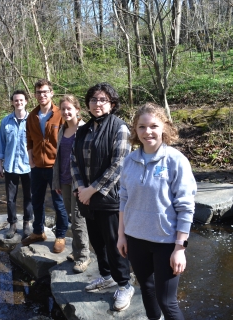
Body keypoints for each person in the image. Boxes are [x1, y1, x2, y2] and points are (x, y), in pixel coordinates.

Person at [117, 103, 197, 320]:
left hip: (166, 242)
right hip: (135, 240)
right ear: (135, 130)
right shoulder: (129, 161)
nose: (148, 132)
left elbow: (186, 206)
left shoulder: (176, 160)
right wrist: (121, 236)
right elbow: (123, 199)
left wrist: (180, 247)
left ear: (164, 128)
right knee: (147, 291)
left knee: (167, 302)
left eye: (153, 126)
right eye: (142, 127)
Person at [71, 83, 133, 311]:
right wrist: (80, 189)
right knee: (98, 242)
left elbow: (119, 164)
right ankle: (106, 276)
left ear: (112, 104)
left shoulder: (120, 128)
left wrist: (92, 189)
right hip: (87, 199)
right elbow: (73, 162)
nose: (97, 103)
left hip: (110, 199)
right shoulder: (83, 129)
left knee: (115, 244)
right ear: (87, 104)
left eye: (103, 100)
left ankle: (125, 285)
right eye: (94, 99)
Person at [21, 79, 69, 254]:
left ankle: (61, 235)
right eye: (39, 92)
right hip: (37, 167)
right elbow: (29, 139)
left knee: (59, 203)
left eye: (45, 92)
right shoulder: (32, 115)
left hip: (55, 168)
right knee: (37, 201)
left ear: (51, 93)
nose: (42, 95)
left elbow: (69, 138)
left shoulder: (60, 114)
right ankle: (38, 232)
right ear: (35, 95)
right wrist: (31, 160)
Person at [52, 95, 91, 273]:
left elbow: (88, 160)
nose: (66, 112)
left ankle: (84, 256)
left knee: (78, 220)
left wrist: (84, 185)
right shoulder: (62, 129)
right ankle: (76, 251)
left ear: (77, 110)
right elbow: (59, 157)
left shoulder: (84, 129)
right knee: (71, 217)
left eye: (70, 108)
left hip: (79, 183)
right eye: (63, 109)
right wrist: (57, 181)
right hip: (65, 180)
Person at [0, 90, 33, 239]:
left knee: (29, 196)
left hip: (28, 165)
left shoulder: (32, 120)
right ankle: (12, 225)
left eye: (21, 100)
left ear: (26, 101)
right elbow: (1, 144)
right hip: (10, 165)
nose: (19, 103)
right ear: (12, 102)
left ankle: (27, 224)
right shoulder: (5, 121)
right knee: (11, 198)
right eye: (16, 100)